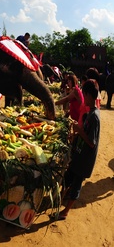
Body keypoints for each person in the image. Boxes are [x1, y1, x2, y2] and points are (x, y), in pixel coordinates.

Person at [53, 79, 100, 221]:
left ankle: (66, 211)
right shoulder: (89, 114)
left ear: (89, 95)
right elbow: (83, 132)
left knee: (76, 185)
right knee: (67, 177)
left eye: (84, 95)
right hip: (79, 154)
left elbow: (92, 142)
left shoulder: (94, 117)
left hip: (85, 159)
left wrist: (79, 130)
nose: (82, 98)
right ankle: (59, 199)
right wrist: (76, 134)